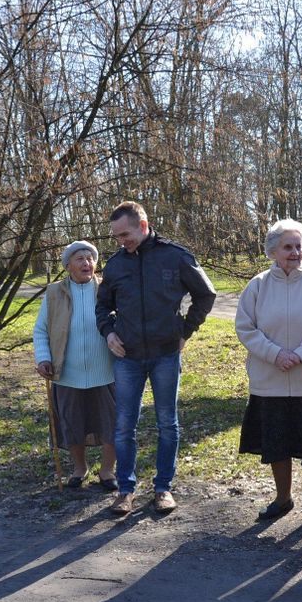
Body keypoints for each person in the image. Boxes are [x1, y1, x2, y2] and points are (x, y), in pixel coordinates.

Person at [95, 201, 217, 515]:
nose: (121, 241)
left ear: (144, 225)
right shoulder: (115, 265)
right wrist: (108, 332)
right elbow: (102, 306)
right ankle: (125, 490)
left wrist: (186, 330)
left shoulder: (175, 256)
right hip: (128, 357)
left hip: (165, 354)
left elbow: (206, 294)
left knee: (167, 424)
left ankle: (163, 489)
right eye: (117, 236)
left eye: (125, 234)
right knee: (123, 427)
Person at [236, 219, 302, 529]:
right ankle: (283, 498)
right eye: (288, 247)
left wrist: (299, 355)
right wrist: (275, 354)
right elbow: (245, 328)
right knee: (277, 444)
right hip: (268, 383)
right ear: (272, 251)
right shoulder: (256, 286)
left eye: (299, 246)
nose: (295, 252)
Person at [33, 240, 118, 490]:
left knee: (110, 422)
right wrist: (43, 358)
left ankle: (107, 471)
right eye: (80, 259)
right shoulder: (54, 293)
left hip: (106, 370)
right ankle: (80, 468)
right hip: (68, 373)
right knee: (72, 423)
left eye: (90, 258)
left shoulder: (107, 289)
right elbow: (41, 330)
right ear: (68, 265)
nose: (87, 263)